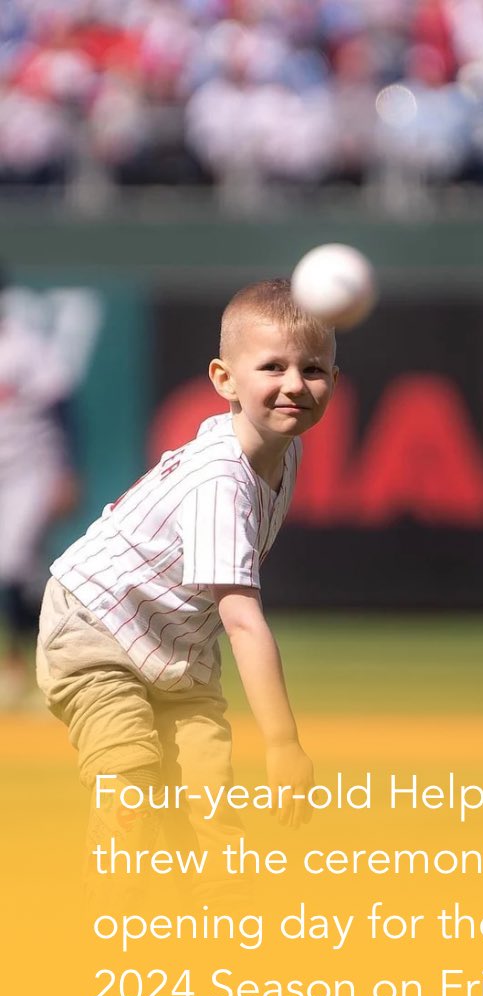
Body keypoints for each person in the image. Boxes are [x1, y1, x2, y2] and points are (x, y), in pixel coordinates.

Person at [36, 279, 337, 893]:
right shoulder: (221, 479)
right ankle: (105, 935)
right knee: (131, 777)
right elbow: (244, 621)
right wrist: (283, 745)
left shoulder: (284, 450)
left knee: (211, 806)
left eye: (313, 369)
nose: (294, 385)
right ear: (225, 380)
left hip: (175, 650)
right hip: (95, 625)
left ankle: (208, 947)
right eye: (272, 366)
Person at [0, 282, 86, 708]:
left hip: (28, 472)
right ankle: (37, 667)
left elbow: (62, 406)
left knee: (14, 566)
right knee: (22, 573)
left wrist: (67, 471)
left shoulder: (22, 345)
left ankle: (28, 669)